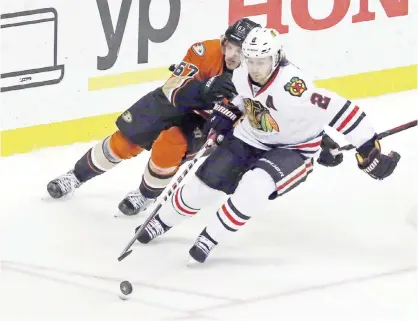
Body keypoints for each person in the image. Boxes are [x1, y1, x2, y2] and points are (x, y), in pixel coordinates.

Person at [133, 27, 401, 263]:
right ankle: (160, 221)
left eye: (262, 61)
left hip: (293, 149)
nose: (255, 68)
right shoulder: (240, 73)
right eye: (251, 60)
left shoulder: (294, 87)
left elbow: (342, 110)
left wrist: (368, 150)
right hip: (251, 136)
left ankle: (210, 238)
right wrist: (229, 112)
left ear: (276, 58)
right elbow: (242, 98)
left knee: (255, 186)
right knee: (204, 184)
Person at [46, 18, 261, 216]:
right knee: (124, 142)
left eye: (240, 51)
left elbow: (256, 118)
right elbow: (172, 87)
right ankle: (75, 176)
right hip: (173, 104)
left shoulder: (259, 74)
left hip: (203, 121)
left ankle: (145, 196)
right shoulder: (205, 51)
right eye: (230, 47)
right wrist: (204, 89)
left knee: (169, 147)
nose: (232, 55)